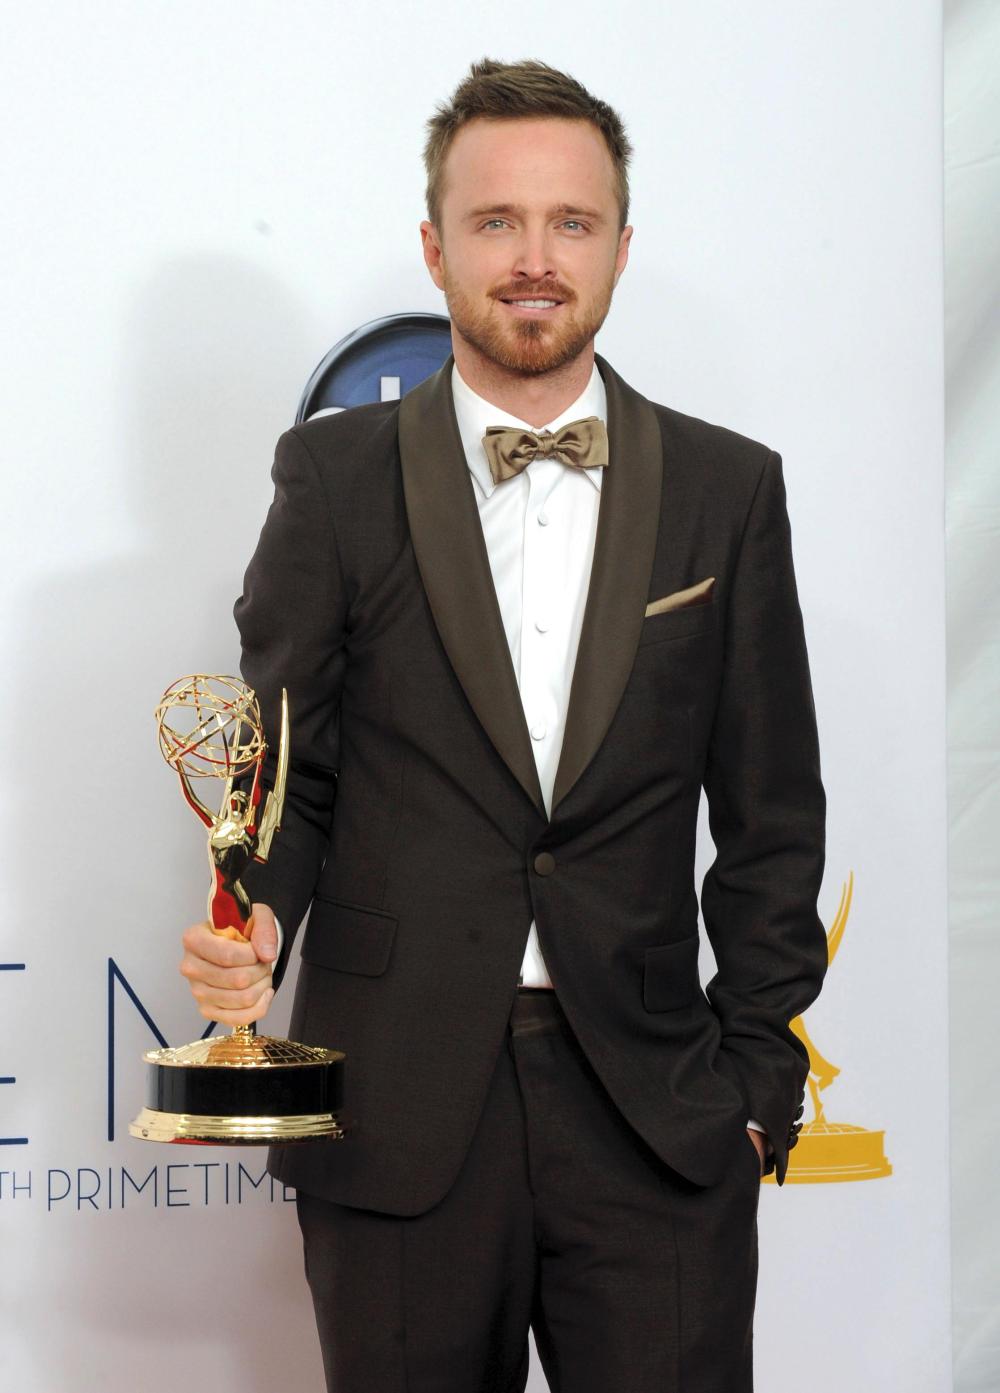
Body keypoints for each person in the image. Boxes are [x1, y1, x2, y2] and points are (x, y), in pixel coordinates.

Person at [179, 57, 827, 1393]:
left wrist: (757, 1086)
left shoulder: (728, 488)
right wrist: (257, 922)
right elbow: (287, 778)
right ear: (435, 244)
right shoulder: (334, 478)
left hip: (655, 1116)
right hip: (395, 1107)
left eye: (570, 223)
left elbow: (774, 814)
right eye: (496, 222)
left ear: (621, 247)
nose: (534, 259)